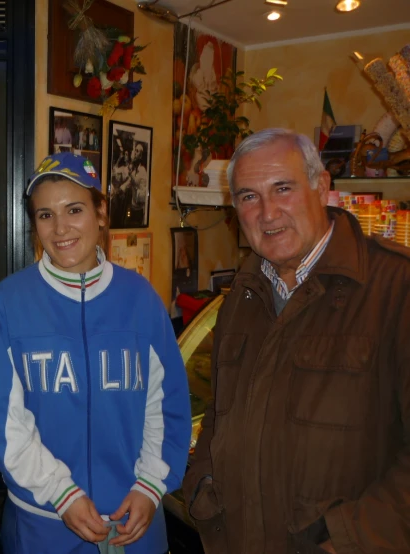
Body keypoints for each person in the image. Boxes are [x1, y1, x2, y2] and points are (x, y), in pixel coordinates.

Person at [183, 128, 410, 554]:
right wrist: (203, 486)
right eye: (249, 196)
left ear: (321, 187)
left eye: (282, 188)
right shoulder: (241, 297)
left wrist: (344, 541)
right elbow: (220, 411)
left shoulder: (396, 288)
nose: (268, 213)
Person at [0, 152, 191, 554]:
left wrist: (149, 486)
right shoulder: (8, 303)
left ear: (101, 212)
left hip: (135, 523)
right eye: (45, 215)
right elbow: (5, 425)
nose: (60, 228)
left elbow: (166, 407)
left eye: (74, 209)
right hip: (44, 525)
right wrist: (62, 494)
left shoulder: (141, 299)